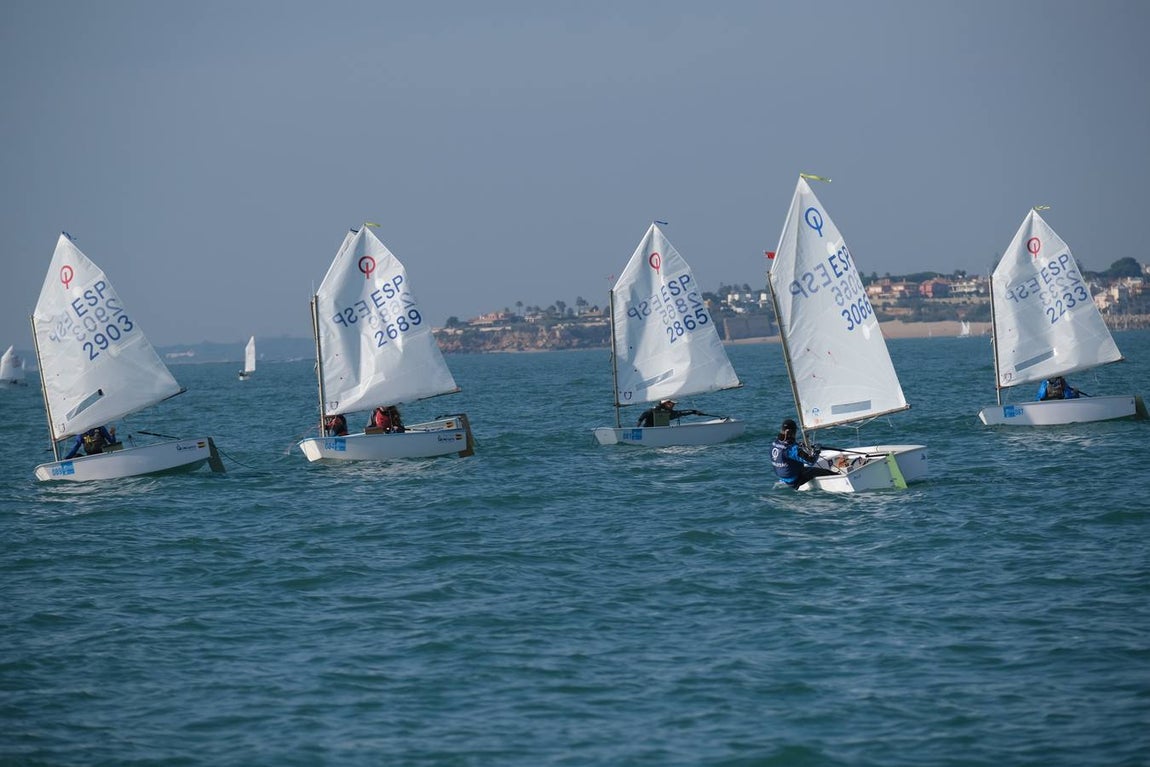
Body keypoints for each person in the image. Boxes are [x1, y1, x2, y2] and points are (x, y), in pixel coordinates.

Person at [771, 418, 836, 490]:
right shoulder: (791, 449)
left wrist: (799, 445)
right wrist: (817, 451)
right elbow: (811, 461)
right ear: (792, 432)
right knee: (827, 472)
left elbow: (786, 447)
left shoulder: (775, 443)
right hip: (795, 480)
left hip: (784, 478)